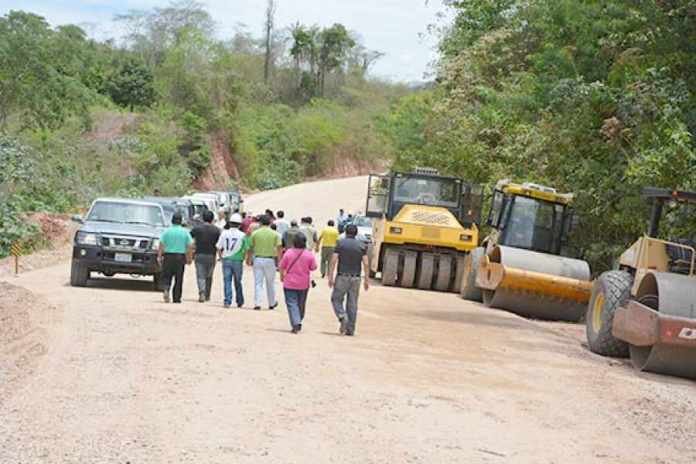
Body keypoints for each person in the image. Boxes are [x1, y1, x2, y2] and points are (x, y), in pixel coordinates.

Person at [328, 224, 370, 336]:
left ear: (345, 233)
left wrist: (330, 276)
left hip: (342, 276)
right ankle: (350, 329)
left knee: (336, 299)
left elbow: (333, 260)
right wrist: (366, 279)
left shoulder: (340, 243)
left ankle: (342, 316)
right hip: (356, 278)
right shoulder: (362, 245)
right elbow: (366, 263)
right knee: (352, 303)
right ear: (356, 234)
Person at [279, 234, 317, 334]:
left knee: (291, 303)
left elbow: (282, 266)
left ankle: (296, 322)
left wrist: (282, 276)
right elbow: (313, 267)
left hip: (290, 282)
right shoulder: (308, 254)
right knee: (301, 304)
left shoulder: (288, 253)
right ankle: (298, 319)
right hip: (304, 284)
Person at [248, 214, 282, 310]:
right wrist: (279, 261)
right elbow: (279, 248)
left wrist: (249, 259)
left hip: (258, 259)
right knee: (270, 283)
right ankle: (271, 303)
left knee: (258, 282)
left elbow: (251, 247)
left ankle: (257, 303)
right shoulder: (275, 234)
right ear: (270, 222)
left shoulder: (255, 233)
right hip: (270, 260)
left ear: (260, 223)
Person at [158, 212, 194, 304]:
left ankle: (166, 289)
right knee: (179, 278)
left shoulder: (167, 231)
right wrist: (189, 258)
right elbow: (190, 245)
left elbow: (161, 244)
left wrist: (159, 256)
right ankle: (176, 298)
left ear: (172, 220)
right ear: (181, 221)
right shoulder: (185, 232)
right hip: (180, 257)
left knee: (167, 276)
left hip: (168, 256)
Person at [216, 213, 249, 309]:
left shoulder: (224, 233)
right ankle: (239, 301)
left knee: (227, 281)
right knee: (238, 281)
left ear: (230, 223)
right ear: (239, 224)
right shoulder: (242, 235)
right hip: (238, 261)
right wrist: (246, 258)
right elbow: (247, 249)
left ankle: (227, 301)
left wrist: (220, 257)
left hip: (226, 259)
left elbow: (218, 247)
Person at [190, 210, 221, 303]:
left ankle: (202, 292)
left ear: (203, 218)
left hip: (199, 254)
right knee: (209, 276)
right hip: (211, 255)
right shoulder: (216, 230)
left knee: (200, 275)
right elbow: (219, 244)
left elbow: (189, 238)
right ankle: (207, 295)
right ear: (212, 219)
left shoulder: (197, 229)